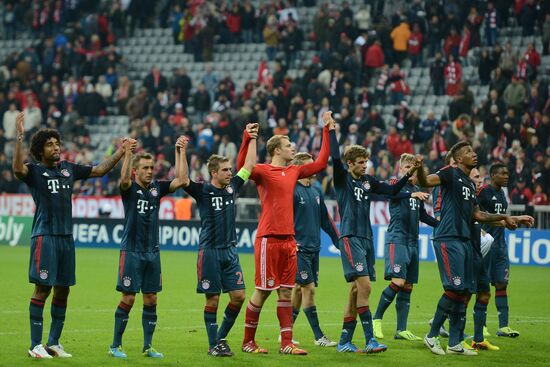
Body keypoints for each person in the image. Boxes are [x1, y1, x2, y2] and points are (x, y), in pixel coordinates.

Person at [12, 112, 131, 358]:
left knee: (63, 289)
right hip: (45, 236)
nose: (56, 148)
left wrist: (121, 152)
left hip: (66, 238)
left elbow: (99, 170)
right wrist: (19, 138)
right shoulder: (35, 172)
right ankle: (35, 345)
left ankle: (53, 343)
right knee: (42, 289)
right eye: (49, 144)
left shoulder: (68, 169)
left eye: (57, 143)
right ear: (40, 150)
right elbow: (17, 169)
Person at [416, 141, 534, 356]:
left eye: (473, 150)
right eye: (468, 152)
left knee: (463, 292)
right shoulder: (449, 173)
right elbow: (426, 181)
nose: (474, 153)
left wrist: (508, 217)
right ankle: (432, 335)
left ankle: (454, 343)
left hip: (464, 240)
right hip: (448, 238)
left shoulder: (470, 185)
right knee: (454, 288)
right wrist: (419, 169)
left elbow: (479, 215)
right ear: (459, 158)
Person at [236, 111, 335, 355]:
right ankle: (248, 341)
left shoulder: (293, 172)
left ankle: (286, 343)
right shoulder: (262, 171)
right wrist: (247, 139)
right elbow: (242, 167)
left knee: (286, 291)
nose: (293, 148)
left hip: (290, 241)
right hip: (268, 239)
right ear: (277, 150)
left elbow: (321, 163)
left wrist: (327, 130)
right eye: (288, 145)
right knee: (263, 291)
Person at [329, 138, 420, 354]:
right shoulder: (342, 179)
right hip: (351, 237)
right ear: (350, 164)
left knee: (354, 291)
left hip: (367, 239)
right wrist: (330, 129)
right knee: (365, 287)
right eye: (360, 162)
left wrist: (408, 174)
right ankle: (370, 339)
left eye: (366, 162)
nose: (364, 165)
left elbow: (392, 191)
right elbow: (334, 157)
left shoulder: (367, 181)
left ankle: (344, 341)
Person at [182, 123, 258, 357]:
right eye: (225, 170)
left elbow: (249, 165)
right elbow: (182, 178)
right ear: (213, 172)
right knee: (213, 299)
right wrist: (181, 152)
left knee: (239, 296)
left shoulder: (232, 187)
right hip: (210, 252)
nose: (230, 173)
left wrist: (252, 137)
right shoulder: (203, 191)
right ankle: (214, 344)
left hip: (230, 251)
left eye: (229, 169)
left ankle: (219, 339)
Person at [108, 137, 187, 359]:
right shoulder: (129, 188)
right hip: (131, 251)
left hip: (153, 252)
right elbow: (123, 179)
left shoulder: (156, 189)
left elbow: (182, 179)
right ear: (135, 171)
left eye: (152, 167)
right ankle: (115, 345)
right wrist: (126, 153)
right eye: (145, 168)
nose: (150, 171)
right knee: (129, 298)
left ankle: (148, 346)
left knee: (151, 299)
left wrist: (180, 151)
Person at [372, 153, 438, 341]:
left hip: (412, 241)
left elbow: (423, 216)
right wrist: (411, 192)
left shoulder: (417, 188)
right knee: (398, 282)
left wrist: (440, 224)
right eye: (407, 167)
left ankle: (401, 330)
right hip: (397, 239)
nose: (411, 171)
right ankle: (377, 318)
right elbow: (392, 194)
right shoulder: (394, 184)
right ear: (401, 169)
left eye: (413, 168)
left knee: (407, 286)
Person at [288, 152, 340, 347]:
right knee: (308, 289)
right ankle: (319, 336)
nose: (315, 168)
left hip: (314, 248)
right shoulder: (292, 190)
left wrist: (338, 242)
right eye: (311, 165)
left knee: (300, 290)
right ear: (302, 168)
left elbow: (325, 221)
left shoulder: (317, 190)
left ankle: (286, 332)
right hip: (298, 249)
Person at [477, 163, 531, 338]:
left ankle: (503, 326)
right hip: (486, 245)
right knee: (483, 286)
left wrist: (514, 221)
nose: (507, 176)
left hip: (501, 246)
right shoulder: (483, 192)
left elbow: (502, 219)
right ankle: (482, 326)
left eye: (508, 173)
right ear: (493, 175)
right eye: (503, 173)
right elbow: (475, 215)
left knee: (501, 283)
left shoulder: (502, 194)